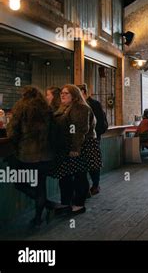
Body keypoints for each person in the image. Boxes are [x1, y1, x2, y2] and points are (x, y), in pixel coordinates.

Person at [7, 86, 57, 228]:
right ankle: (38, 218)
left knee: (19, 183)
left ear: (25, 95)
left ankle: (46, 205)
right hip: (46, 156)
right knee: (41, 186)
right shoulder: (47, 109)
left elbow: (12, 133)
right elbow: (53, 132)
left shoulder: (21, 107)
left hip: (27, 157)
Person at [52, 84, 99, 215]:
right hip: (67, 147)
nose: (63, 95)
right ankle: (66, 203)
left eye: (66, 93)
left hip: (80, 146)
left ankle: (79, 205)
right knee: (66, 177)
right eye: (62, 92)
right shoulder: (64, 108)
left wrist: (75, 148)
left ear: (74, 95)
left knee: (79, 176)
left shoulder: (80, 108)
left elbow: (79, 130)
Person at [78, 84, 106, 196]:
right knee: (83, 164)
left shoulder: (94, 104)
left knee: (93, 163)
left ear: (84, 92)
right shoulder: (77, 106)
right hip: (81, 140)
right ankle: (85, 188)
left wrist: (95, 135)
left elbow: (100, 122)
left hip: (93, 139)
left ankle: (95, 185)